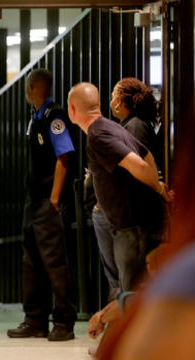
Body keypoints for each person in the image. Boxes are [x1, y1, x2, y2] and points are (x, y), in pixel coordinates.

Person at [67, 83, 173, 293]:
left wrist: (158, 188)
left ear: (72, 110)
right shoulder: (110, 126)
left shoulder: (97, 135)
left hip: (129, 226)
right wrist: (156, 185)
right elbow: (147, 156)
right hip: (132, 224)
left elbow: (140, 164)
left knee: (130, 292)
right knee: (129, 289)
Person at [7, 69, 77, 341]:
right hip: (33, 201)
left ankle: (64, 322)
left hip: (49, 201)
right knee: (32, 261)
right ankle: (34, 320)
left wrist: (55, 199)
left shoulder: (54, 116)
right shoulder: (35, 117)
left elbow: (64, 157)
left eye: (27, 88)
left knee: (55, 262)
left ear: (33, 88)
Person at [91, 78, 163, 300]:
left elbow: (136, 167)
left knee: (126, 280)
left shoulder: (135, 127)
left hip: (128, 215)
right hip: (125, 214)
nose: (110, 98)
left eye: (114, 93)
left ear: (121, 100)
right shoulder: (134, 125)